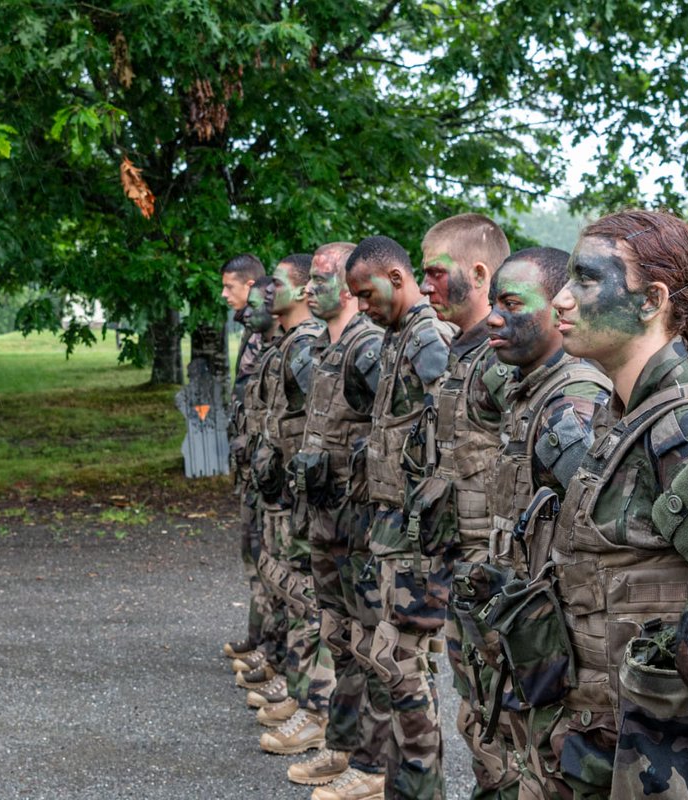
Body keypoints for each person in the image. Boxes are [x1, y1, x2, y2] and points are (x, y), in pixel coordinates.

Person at [536, 209, 688, 798]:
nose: (562, 300)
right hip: (613, 748)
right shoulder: (632, 415)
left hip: (677, 768)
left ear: (651, 300)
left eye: (586, 280)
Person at [449, 248, 610, 797]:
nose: (494, 318)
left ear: (559, 308)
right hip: (519, 626)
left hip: (557, 645)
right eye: (493, 303)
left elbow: (601, 541)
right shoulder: (528, 390)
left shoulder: (572, 404)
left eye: (512, 304)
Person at [312, 235, 455, 800]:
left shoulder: (426, 339)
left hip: (416, 535)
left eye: (367, 293)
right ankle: (394, 780)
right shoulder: (396, 337)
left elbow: (453, 432)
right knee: (390, 661)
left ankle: (414, 785)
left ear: (397, 278)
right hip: (387, 530)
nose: (361, 304)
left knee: (404, 667)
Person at [265, 243, 383, 774]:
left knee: (369, 643)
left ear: (351, 286)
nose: (311, 288)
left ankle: (368, 761)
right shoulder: (324, 347)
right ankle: (339, 743)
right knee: (337, 634)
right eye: (309, 279)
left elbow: (394, 431)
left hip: (359, 522)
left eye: (321, 278)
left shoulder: (366, 347)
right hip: (324, 515)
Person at [415, 213, 515, 798]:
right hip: (465, 570)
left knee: (499, 724)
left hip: (497, 577)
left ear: (479, 274)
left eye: (435, 272)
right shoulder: (462, 352)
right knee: (476, 717)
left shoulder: (503, 362)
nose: (424, 285)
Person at [247, 255, 337, 732]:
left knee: (306, 596)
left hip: (302, 493)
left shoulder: (305, 346)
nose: (267, 293)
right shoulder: (294, 343)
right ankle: (299, 689)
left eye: (277, 283)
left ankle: (311, 703)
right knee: (287, 586)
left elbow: (313, 426)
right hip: (285, 489)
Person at [220, 254, 276, 674]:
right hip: (251, 461)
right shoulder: (251, 329)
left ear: (252, 286)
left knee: (267, 556)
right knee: (253, 551)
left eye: (230, 286)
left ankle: (270, 646)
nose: (225, 295)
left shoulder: (269, 334)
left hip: (264, 462)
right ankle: (260, 637)